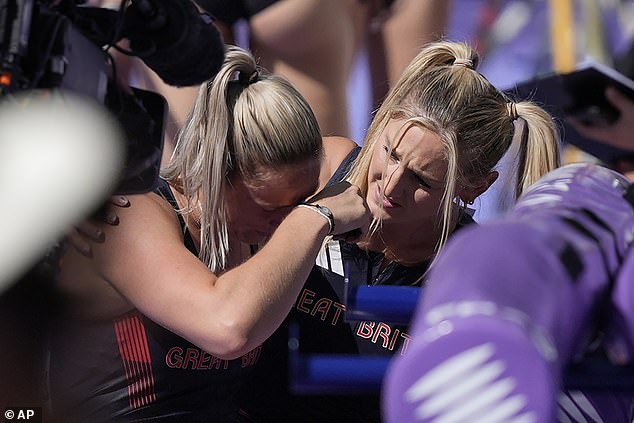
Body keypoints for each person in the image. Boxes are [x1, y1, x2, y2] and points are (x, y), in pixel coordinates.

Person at [237, 40, 561, 422]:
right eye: (389, 152)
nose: (389, 185)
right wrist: (316, 215)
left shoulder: (471, 270)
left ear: (475, 187)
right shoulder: (320, 173)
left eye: (421, 180)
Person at [47, 45, 370, 423]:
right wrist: (314, 216)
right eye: (270, 207)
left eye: (299, 200)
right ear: (215, 173)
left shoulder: (269, 214)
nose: (283, 223)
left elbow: (343, 152)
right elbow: (228, 328)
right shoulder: (130, 216)